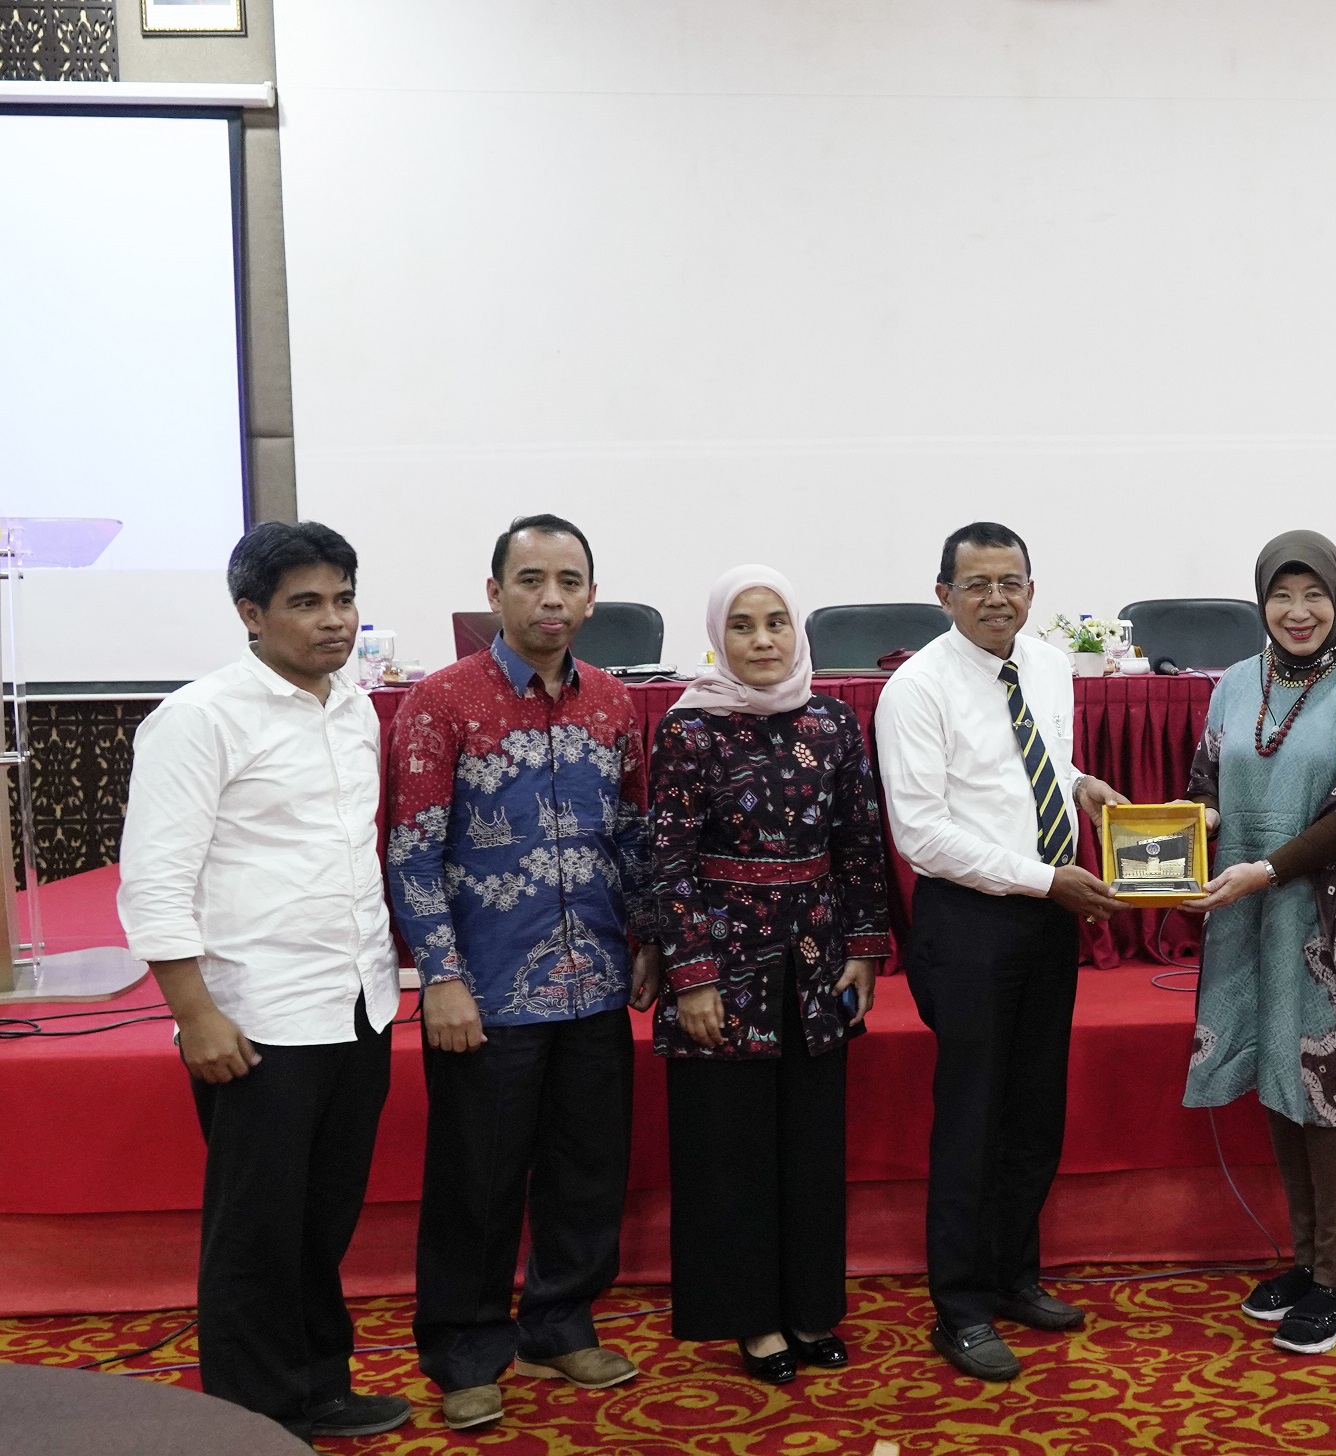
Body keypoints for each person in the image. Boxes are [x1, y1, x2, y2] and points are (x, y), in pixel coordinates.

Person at [117, 522, 411, 1444]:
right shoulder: (198, 718)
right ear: (251, 614)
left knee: (321, 1222)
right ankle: (253, 1415)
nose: (333, 622)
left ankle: (320, 1383)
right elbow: (156, 879)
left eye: (343, 600)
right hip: (255, 1018)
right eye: (306, 604)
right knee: (256, 1229)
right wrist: (194, 1014)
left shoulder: (355, 707)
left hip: (356, 1004)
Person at [385, 514, 656, 1430]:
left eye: (570, 580)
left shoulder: (616, 704)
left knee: (587, 1166)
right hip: (486, 989)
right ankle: (464, 1345)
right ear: (494, 591)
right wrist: (442, 977)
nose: (552, 597)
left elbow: (629, 836)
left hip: (595, 982)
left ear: (590, 593)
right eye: (531, 579)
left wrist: (648, 939)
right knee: (477, 1176)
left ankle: (559, 1320)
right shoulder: (441, 702)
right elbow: (411, 853)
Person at [873, 521, 1128, 1382]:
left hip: (1046, 917)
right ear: (942, 594)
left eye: (1010, 582)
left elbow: (1036, 763)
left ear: (1031, 588)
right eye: (976, 584)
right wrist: (1043, 878)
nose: (996, 598)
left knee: (1032, 1111)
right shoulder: (915, 689)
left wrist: (1083, 788)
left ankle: (1016, 1276)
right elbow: (922, 836)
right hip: (970, 923)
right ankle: (960, 1306)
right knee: (973, 1120)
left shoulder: (1049, 664)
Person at [1179, 530, 1336, 1356]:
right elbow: (1206, 788)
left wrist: (1265, 868)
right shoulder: (1231, 685)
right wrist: (1175, 840)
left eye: (1313, 595)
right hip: (1253, 916)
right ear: (1260, 602)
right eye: (1281, 596)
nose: (1297, 612)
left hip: (1335, 922)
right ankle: (1310, 1258)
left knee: (1332, 1089)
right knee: (1280, 1079)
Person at [647, 565, 890, 1384]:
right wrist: (693, 977)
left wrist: (864, 948)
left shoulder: (831, 722)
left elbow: (860, 843)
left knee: (809, 1146)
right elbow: (669, 861)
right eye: (743, 626)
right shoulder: (689, 729)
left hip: (816, 960)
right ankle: (751, 1322)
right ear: (719, 637)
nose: (761, 640)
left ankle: (807, 1309)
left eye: (776, 623)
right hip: (724, 965)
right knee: (731, 1151)